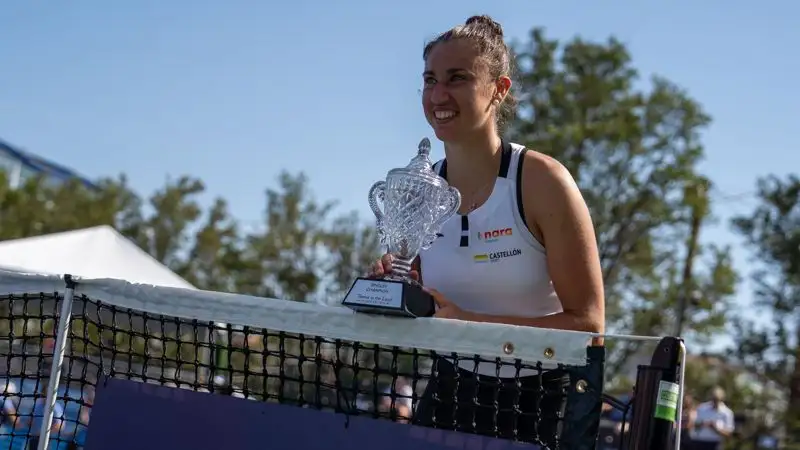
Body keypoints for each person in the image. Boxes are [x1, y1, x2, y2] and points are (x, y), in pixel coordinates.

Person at [367, 14, 605, 447]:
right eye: (430, 80)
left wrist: (472, 324)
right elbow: (429, 302)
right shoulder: (422, 188)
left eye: (457, 78)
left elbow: (589, 325)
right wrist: (394, 287)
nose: (439, 94)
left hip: (540, 403)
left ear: (499, 89)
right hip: (449, 392)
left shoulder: (542, 181)